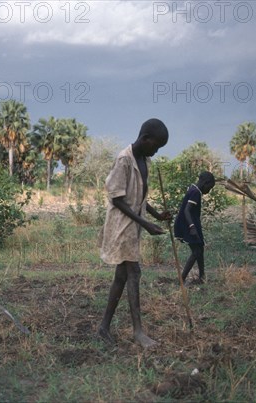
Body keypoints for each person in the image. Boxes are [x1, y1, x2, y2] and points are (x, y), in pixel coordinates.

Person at [97, 118, 171, 348]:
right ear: (145, 138)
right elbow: (117, 199)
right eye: (156, 146)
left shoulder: (144, 160)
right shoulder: (124, 160)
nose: (156, 151)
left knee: (121, 277)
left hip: (133, 225)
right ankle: (138, 332)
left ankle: (103, 328)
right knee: (133, 273)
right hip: (121, 226)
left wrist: (157, 216)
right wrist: (146, 224)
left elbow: (137, 198)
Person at [173, 171, 216, 284]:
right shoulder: (196, 192)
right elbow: (187, 210)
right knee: (196, 251)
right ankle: (181, 280)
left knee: (200, 248)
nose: (209, 191)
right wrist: (192, 227)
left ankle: (202, 277)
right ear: (205, 183)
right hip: (188, 224)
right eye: (210, 187)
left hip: (191, 223)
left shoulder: (193, 188)